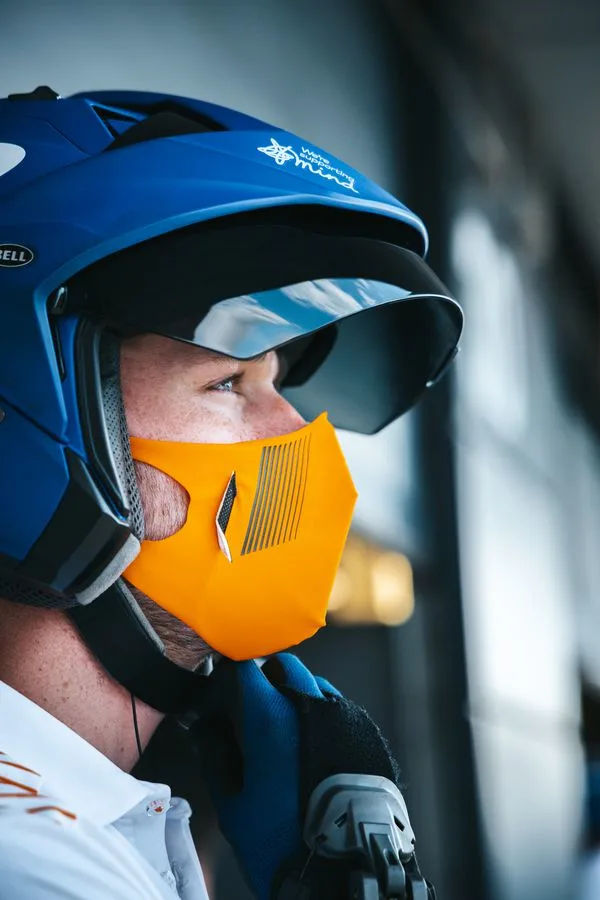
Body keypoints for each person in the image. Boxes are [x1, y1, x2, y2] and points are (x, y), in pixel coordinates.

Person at [0, 86, 462, 899]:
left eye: (279, 382)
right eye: (227, 382)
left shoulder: (89, 825)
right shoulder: (34, 864)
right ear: (26, 418)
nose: (295, 429)